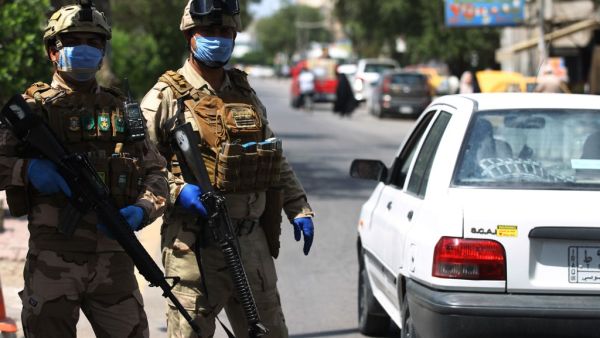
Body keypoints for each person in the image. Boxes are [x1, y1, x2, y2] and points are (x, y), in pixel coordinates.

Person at [140, 1, 315, 337]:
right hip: (194, 247)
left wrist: (299, 208)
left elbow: (272, 157)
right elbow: (138, 166)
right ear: (191, 36)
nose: (217, 39)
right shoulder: (165, 97)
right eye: (209, 32)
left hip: (251, 244)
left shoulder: (244, 92)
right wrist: (178, 191)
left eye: (225, 32)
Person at [0, 1, 169, 337]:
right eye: (74, 41)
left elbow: (157, 174)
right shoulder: (30, 111)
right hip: (54, 262)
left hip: (115, 262)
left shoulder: (121, 109)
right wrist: (27, 169)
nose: (86, 49)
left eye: (94, 43)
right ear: (52, 51)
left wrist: (142, 208)